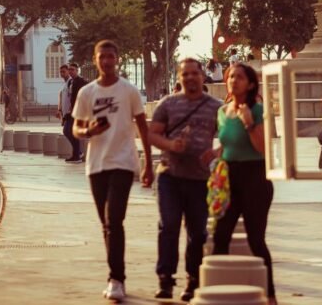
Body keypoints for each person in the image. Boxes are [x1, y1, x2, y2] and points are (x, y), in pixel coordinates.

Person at [73, 40, 153, 303]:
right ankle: (115, 276)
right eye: (102, 57)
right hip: (96, 165)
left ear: (117, 58)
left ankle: (116, 279)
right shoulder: (87, 92)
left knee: (114, 220)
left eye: (110, 56)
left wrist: (147, 163)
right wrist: (88, 131)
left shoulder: (129, 91)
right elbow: (76, 127)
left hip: (123, 162)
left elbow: (143, 127)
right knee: (106, 224)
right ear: (95, 60)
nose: (106, 61)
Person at [148, 59, 222, 301]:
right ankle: (165, 278)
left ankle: (193, 279)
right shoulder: (168, 104)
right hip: (170, 176)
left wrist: (216, 152)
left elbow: (229, 136)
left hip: (200, 178)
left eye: (194, 73)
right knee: (168, 226)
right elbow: (152, 134)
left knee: (197, 232)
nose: (190, 78)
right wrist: (171, 145)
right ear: (179, 77)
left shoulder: (216, 107)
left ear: (202, 76)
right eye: (185, 74)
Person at [211, 63, 276, 304]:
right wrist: (214, 154)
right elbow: (229, 143)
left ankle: (270, 294)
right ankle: (219, 292)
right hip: (229, 177)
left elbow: (263, 148)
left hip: (255, 177)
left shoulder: (258, 110)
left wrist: (249, 123)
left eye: (239, 77)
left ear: (250, 84)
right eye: (230, 77)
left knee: (255, 239)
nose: (233, 81)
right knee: (220, 235)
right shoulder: (222, 111)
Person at [56, 64, 81, 162]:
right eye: (61, 72)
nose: (62, 73)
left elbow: (72, 97)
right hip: (66, 113)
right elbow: (63, 98)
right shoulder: (66, 84)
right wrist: (60, 110)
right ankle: (77, 153)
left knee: (69, 132)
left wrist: (71, 109)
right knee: (68, 132)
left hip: (71, 113)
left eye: (64, 71)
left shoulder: (71, 82)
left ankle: (77, 154)